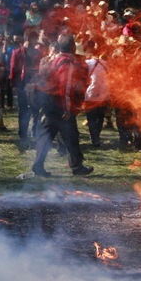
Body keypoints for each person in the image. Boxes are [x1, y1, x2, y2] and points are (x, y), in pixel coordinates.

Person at [31, 33, 94, 177]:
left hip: (49, 103)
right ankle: (76, 167)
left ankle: (38, 165)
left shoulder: (52, 60)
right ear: (72, 47)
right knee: (71, 136)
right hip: (60, 105)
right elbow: (66, 87)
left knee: (46, 136)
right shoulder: (68, 63)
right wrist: (67, 109)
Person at [83, 39, 110, 147]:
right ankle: (96, 137)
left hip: (90, 94)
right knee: (100, 117)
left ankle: (94, 138)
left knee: (91, 117)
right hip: (103, 93)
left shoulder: (87, 64)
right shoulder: (105, 64)